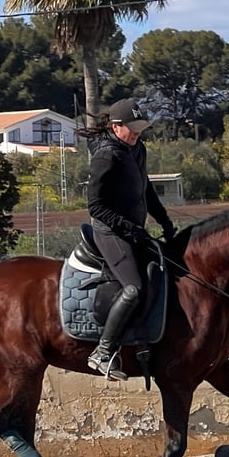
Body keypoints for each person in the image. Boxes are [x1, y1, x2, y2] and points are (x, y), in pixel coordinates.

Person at [80, 98, 177, 381]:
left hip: (134, 229)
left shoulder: (137, 149)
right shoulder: (105, 156)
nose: (137, 134)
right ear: (115, 126)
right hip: (110, 232)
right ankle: (102, 352)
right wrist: (128, 228)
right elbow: (95, 207)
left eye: (140, 129)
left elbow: (147, 191)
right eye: (132, 129)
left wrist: (164, 220)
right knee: (133, 288)